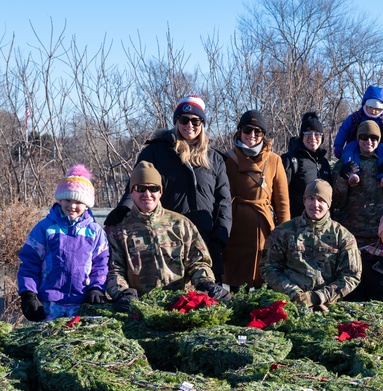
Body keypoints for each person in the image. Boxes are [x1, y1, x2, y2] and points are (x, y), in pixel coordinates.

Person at [105, 94, 232, 278]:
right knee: (173, 298)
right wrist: (124, 207)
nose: (190, 125)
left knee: (207, 297)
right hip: (167, 238)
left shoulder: (215, 158)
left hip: (206, 238)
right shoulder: (156, 151)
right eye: (184, 120)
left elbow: (224, 202)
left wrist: (220, 236)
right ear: (176, 121)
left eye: (195, 121)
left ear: (202, 124)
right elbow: (137, 184)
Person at [106, 162, 229, 312]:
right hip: (139, 307)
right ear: (132, 192)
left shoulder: (181, 224)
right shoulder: (118, 229)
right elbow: (114, 269)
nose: (147, 194)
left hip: (181, 306)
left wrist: (206, 282)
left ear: (160, 192)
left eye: (153, 189)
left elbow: (198, 262)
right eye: (141, 188)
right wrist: (123, 293)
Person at [17, 165, 109, 321]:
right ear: (60, 200)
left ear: (87, 204)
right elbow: (29, 263)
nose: (72, 206)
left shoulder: (95, 232)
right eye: (67, 199)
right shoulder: (45, 228)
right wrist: (28, 293)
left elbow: (101, 265)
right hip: (48, 303)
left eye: (78, 201)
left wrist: (96, 288)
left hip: (81, 303)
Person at [262, 179, 363, 311]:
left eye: (321, 200)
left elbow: (351, 275)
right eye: (311, 198)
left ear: (328, 204)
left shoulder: (343, 236)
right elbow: (268, 268)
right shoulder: (283, 232)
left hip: (329, 307)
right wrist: (294, 294)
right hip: (288, 304)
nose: (315, 204)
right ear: (304, 201)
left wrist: (319, 297)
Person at [223, 110, 291, 289]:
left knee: (264, 282)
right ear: (239, 131)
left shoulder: (274, 160)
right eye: (247, 130)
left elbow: (282, 203)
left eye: (257, 131)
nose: (251, 135)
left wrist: (284, 235)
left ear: (263, 135)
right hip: (235, 231)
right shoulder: (228, 159)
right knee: (236, 284)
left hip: (264, 230)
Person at [331, 121, 383, 249]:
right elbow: (335, 200)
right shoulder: (345, 162)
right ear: (358, 138)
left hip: (382, 233)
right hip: (351, 231)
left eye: (374, 138)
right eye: (364, 137)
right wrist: (343, 178)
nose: (369, 141)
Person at [332, 85, 383, 180]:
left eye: (377, 109)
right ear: (365, 105)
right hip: (357, 143)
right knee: (349, 151)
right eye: (371, 108)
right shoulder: (355, 118)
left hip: (379, 144)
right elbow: (343, 131)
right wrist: (338, 145)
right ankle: (353, 174)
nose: (374, 111)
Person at [282, 112, 333, 219]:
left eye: (317, 134)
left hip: (321, 228)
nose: (313, 137)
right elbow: (281, 196)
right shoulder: (290, 160)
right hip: (297, 226)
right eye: (308, 134)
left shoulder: (324, 162)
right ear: (302, 136)